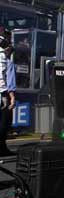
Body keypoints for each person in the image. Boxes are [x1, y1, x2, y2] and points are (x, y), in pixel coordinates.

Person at [0, 28, 16, 156]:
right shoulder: (7, 55)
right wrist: (12, 96)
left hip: (4, 91)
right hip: (3, 92)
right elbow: (9, 77)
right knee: (4, 123)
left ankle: (2, 148)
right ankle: (2, 148)